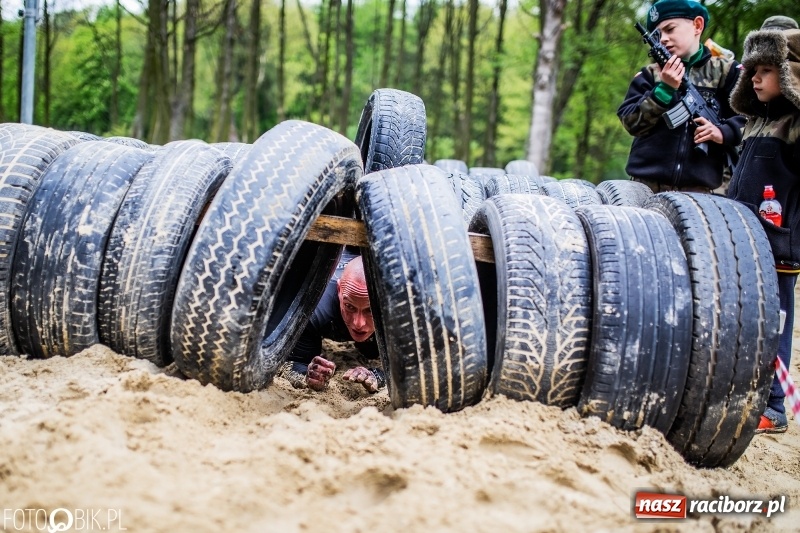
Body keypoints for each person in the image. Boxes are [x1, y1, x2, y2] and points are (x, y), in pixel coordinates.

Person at [727, 26, 800, 434]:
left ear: (790, 74)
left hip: (779, 248)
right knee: (745, 321)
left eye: (766, 69)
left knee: (775, 325)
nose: (754, 77)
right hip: (742, 241)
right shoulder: (756, 121)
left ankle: (773, 407)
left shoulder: (795, 124)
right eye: (752, 69)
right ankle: (742, 395)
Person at [618, 0, 746, 193]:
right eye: (658, 34)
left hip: (703, 190)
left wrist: (724, 132)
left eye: (670, 29)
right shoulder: (650, 75)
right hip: (645, 186)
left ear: (697, 25)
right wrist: (664, 90)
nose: (663, 39)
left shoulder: (726, 72)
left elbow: (752, 118)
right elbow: (631, 123)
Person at [278, 252, 385, 393]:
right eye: (349, 306)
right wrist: (309, 377)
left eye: (369, 310)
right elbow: (291, 364)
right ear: (339, 290)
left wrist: (377, 376)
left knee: (372, 350)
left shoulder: (399, 310)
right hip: (327, 302)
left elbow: (410, 370)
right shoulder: (313, 310)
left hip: (379, 325)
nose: (358, 323)